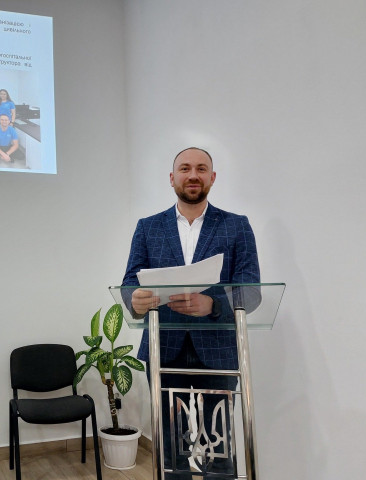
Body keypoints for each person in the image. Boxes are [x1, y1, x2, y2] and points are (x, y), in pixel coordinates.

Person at [122, 147, 260, 478]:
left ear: (212, 177)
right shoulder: (148, 227)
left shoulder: (236, 226)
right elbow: (129, 283)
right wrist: (134, 299)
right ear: (172, 178)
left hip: (218, 351)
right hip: (163, 349)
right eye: (185, 169)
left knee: (219, 443)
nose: (193, 175)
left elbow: (251, 291)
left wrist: (214, 305)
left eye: (201, 168)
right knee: (170, 447)